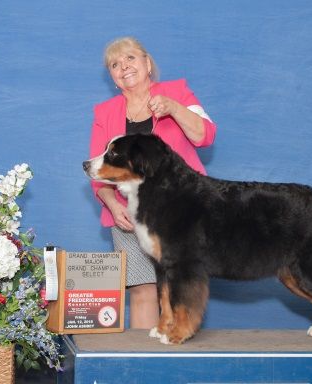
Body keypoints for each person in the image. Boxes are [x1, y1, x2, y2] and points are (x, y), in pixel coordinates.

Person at [88, 37, 217, 329]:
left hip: (181, 215)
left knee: (178, 282)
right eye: (115, 64)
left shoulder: (177, 93)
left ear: (147, 64)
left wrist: (174, 108)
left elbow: (204, 136)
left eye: (130, 58)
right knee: (143, 289)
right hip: (129, 215)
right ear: (112, 76)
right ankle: (143, 364)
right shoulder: (104, 112)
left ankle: (177, 343)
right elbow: (100, 170)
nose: (124, 67)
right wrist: (111, 203)